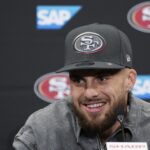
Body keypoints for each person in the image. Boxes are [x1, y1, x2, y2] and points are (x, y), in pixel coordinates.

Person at [13, 23, 150, 150]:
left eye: (102, 78)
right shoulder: (41, 129)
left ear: (129, 80)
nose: (89, 93)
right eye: (78, 81)